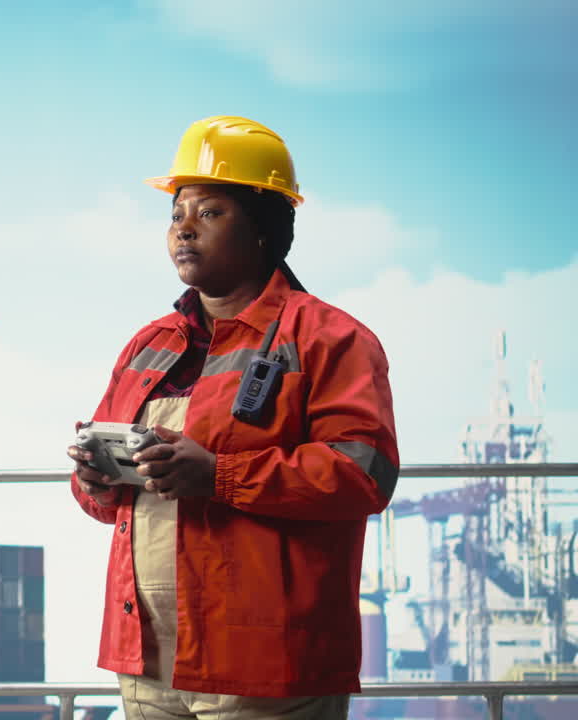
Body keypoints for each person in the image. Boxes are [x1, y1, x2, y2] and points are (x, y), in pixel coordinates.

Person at [67, 116, 399, 719]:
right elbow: (108, 503)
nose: (183, 230)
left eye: (210, 213)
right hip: (148, 655)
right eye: (176, 215)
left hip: (265, 658)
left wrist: (220, 476)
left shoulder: (330, 338)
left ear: (263, 229)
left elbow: (363, 475)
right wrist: (94, 481)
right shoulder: (149, 345)